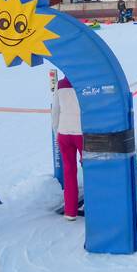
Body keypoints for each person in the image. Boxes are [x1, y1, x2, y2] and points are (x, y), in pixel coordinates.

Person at [51, 76, 83, 221]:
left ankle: (70, 211)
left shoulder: (61, 84)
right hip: (82, 133)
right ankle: (92, 205)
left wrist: (56, 131)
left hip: (64, 132)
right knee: (90, 170)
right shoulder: (84, 82)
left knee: (69, 172)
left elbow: (55, 111)